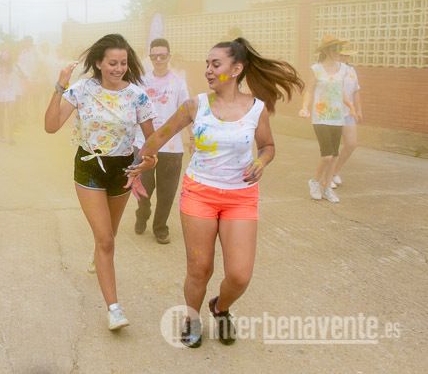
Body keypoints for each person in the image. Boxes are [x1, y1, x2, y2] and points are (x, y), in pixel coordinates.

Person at [127, 37, 303, 348]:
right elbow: (158, 137)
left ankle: (220, 308)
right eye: (207, 64)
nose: (208, 69)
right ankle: (192, 318)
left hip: (241, 197)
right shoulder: (196, 105)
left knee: (239, 275)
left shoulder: (256, 108)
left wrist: (261, 161)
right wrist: (140, 162)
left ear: (236, 69)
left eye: (216, 64)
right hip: (200, 194)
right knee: (200, 269)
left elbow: (268, 146)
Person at [44, 33, 156, 331]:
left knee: (110, 234)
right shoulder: (82, 90)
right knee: (105, 239)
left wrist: (150, 160)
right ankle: (114, 309)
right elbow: (51, 126)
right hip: (90, 167)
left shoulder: (137, 96)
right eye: (112, 63)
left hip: (123, 169)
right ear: (98, 63)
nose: (118, 68)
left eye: (123, 63)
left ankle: (99, 255)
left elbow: (151, 141)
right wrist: (60, 86)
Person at [133, 38, 192, 244]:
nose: (158, 60)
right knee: (144, 188)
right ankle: (142, 213)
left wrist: (192, 137)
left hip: (172, 146)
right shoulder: (141, 82)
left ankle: (160, 227)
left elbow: (188, 111)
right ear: (150, 57)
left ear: (169, 56)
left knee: (167, 193)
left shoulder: (178, 82)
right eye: (154, 56)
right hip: (144, 144)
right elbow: (133, 111)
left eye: (162, 56)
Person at [299, 35, 353, 203]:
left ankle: (327, 187)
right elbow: (309, 90)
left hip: (337, 117)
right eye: (335, 49)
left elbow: (341, 91)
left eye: (339, 49)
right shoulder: (316, 69)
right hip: (320, 117)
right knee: (327, 156)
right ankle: (315, 182)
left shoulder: (343, 69)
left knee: (335, 156)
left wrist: (351, 106)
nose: (339, 52)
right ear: (327, 50)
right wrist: (304, 107)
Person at [332, 46, 362, 186]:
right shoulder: (332, 69)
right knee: (332, 148)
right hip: (333, 113)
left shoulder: (351, 70)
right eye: (342, 55)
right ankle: (326, 177)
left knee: (351, 144)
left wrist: (358, 110)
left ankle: (334, 172)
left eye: (347, 55)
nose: (345, 58)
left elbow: (356, 91)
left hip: (348, 113)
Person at [0, 49, 21, 144]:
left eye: (7, 54)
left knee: (11, 114)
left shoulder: (13, 67)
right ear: (0, 57)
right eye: (4, 55)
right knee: (0, 114)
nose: (6, 56)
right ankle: (1, 135)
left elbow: (20, 75)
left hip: (10, 92)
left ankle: (11, 137)